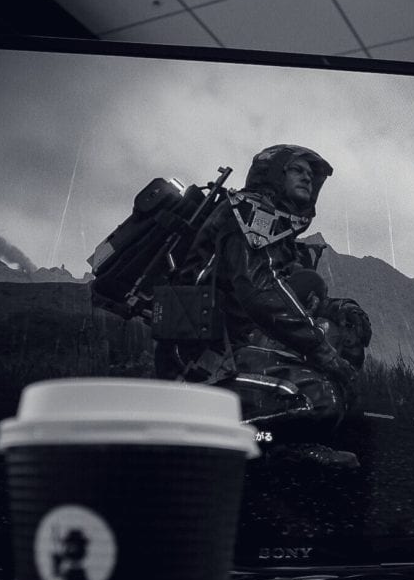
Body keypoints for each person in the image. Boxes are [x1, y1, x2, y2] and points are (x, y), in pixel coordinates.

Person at [154, 145, 371, 463]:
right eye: (297, 170)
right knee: (320, 397)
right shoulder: (248, 213)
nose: (307, 178)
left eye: (310, 175)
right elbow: (262, 293)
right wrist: (324, 355)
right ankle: (209, 440)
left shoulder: (275, 229)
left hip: (235, 348)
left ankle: (277, 442)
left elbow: (292, 290)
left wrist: (338, 310)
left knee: (338, 366)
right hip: (201, 358)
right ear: (274, 173)